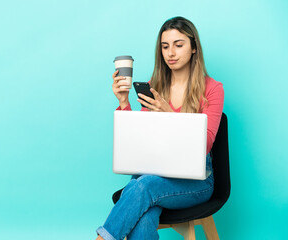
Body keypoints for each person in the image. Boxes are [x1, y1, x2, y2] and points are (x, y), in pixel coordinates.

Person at [96, 16, 224, 240]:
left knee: (142, 186)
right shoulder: (155, 87)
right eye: (165, 46)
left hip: (196, 181)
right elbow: (138, 141)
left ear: (194, 47)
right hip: (154, 172)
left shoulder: (212, 89)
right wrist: (124, 103)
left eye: (178, 45)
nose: (170, 53)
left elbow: (204, 146)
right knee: (144, 212)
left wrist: (169, 115)